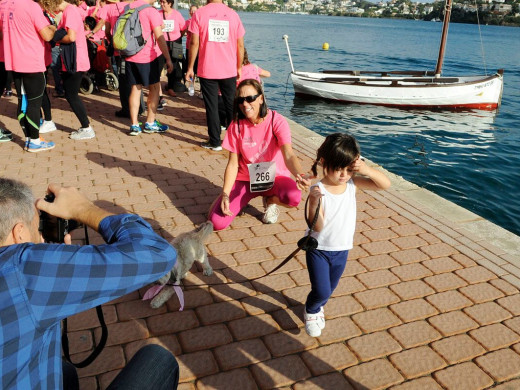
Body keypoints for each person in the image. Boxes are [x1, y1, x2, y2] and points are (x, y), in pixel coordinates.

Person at [0, 177, 179, 389]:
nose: (41, 236)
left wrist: (55, 261)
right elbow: (158, 253)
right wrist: (84, 209)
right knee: (158, 360)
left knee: (65, 371)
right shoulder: (23, 269)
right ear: (19, 232)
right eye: (36, 227)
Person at [303, 133, 391, 337]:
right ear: (324, 162)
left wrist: (366, 169)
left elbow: (384, 184)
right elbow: (318, 227)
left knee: (330, 288)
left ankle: (318, 304)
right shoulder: (319, 189)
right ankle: (312, 310)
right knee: (322, 290)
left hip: (342, 249)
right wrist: (314, 202)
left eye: (348, 169)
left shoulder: (352, 184)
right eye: (338, 169)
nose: (343, 175)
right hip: (319, 250)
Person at [208, 79, 312, 230]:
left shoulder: (277, 121)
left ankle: (270, 201)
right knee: (217, 222)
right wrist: (225, 193)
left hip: (275, 178)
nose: (245, 104)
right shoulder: (236, 125)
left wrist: (299, 174)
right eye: (241, 100)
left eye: (250, 98)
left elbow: (288, 154)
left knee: (293, 197)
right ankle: (231, 200)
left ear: (261, 98)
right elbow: (232, 164)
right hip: (246, 180)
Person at [185, 0, 245, 151]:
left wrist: (190, 67)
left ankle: (215, 141)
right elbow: (240, 45)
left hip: (207, 68)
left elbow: (194, 43)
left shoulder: (199, 14)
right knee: (232, 104)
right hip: (229, 68)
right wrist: (239, 66)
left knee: (211, 106)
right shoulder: (233, 15)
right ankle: (235, 141)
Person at [0, 0, 57, 152]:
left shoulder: (5, 6)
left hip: (14, 61)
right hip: (32, 62)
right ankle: (35, 141)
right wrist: (53, 27)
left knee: (23, 102)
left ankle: (29, 138)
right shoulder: (31, 6)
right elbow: (46, 35)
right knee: (33, 104)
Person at [43, 0, 96, 140]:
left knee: (71, 95)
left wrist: (55, 39)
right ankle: (85, 126)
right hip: (72, 60)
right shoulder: (69, 11)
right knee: (70, 93)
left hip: (75, 60)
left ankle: (86, 127)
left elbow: (71, 37)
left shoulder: (70, 11)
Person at [123, 0, 173, 136]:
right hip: (148, 56)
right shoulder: (151, 11)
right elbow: (160, 37)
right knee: (155, 87)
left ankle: (134, 125)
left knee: (135, 88)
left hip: (130, 54)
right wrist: (168, 58)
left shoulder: (128, 7)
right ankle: (150, 123)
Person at [159, 0, 185, 98]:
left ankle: (170, 87)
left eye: (164, 2)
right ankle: (157, 89)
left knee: (173, 65)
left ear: (170, 3)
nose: (162, 4)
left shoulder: (177, 15)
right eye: (161, 2)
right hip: (162, 43)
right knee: (160, 64)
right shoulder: (158, 14)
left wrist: (177, 37)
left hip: (175, 42)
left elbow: (183, 28)